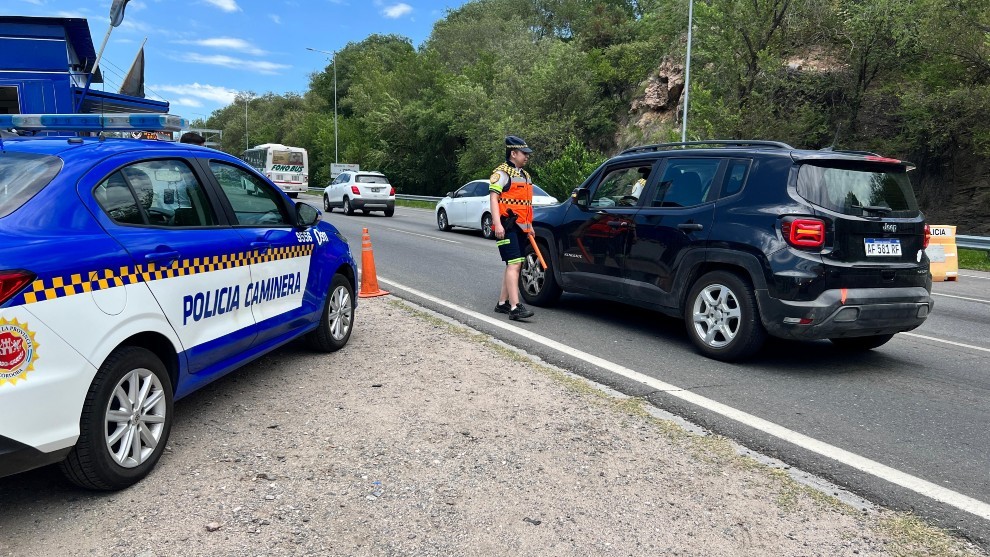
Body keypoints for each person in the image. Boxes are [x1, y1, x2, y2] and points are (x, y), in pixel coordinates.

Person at [490, 135, 536, 321]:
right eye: (524, 153)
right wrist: (498, 224)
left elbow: (526, 204)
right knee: (515, 264)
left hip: (521, 228)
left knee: (513, 264)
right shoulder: (502, 173)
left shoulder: (525, 175)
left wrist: (530, 226)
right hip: (507, 226)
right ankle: (515, 307)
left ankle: (503, 303)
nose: (526, 156)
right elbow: (493, 199)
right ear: (513, 153)